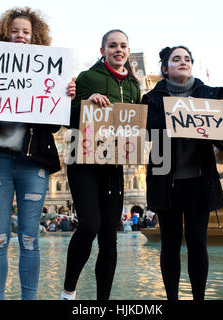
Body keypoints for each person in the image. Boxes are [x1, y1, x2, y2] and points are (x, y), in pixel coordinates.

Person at [0, 7, 75, 300]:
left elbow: (53, 125)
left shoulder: (47, 72)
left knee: (30, 238)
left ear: (34, 36)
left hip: (33, 163)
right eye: (15, 31)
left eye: (26, 32)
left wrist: (64, 97)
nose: (20, 36)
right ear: (5, 34)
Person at [143, 46, 223, 300]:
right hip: (165, 181)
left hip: (199, 181)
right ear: (165, 68)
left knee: (197, 242)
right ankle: (171, 297)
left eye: (187, 59)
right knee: (169, 244)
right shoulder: (151, 98)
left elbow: (221, 132)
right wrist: (179, 114)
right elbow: (148, 132)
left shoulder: (211, 94)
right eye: (176, 59)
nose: (183, 62)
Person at [61, 29, 141, 300]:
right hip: (83, 160)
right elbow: (67, 115)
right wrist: (86, 102)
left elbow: (134, 125)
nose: (119, 50)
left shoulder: (133, 85)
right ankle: (68, 290)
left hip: (114, 163)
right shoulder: (87, 77)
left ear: (128, 51)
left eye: (123, 46)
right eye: (112, 46)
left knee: (110, 235)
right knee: (89, 225)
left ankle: (102, 302)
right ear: (102, 50)